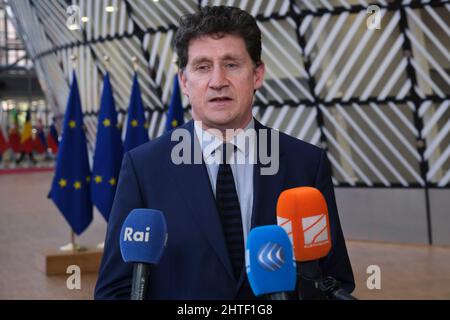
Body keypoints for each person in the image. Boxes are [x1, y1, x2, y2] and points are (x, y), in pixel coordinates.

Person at [95, 6, 354, 300]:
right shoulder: (144, 168)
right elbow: (114, 290)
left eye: (231, 64)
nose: (217, 81)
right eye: (202, 66)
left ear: (257, 75)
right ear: (184, 82)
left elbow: (334, 280)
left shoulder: (305, 164)